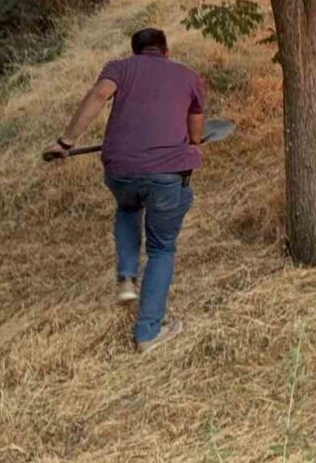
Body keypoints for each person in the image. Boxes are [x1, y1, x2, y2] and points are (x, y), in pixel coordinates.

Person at [45, 28, 205, 353]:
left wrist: (66, 141)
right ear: (166, 50)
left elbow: (98, 95)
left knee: (128, 207)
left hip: (121, 171)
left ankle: (127, 276)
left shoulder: (119, 68)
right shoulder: (188, 76)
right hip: (167, 173)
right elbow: (196, 134)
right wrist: (189, 142)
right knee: (161, 249)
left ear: (136, 52)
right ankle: (148, 333)